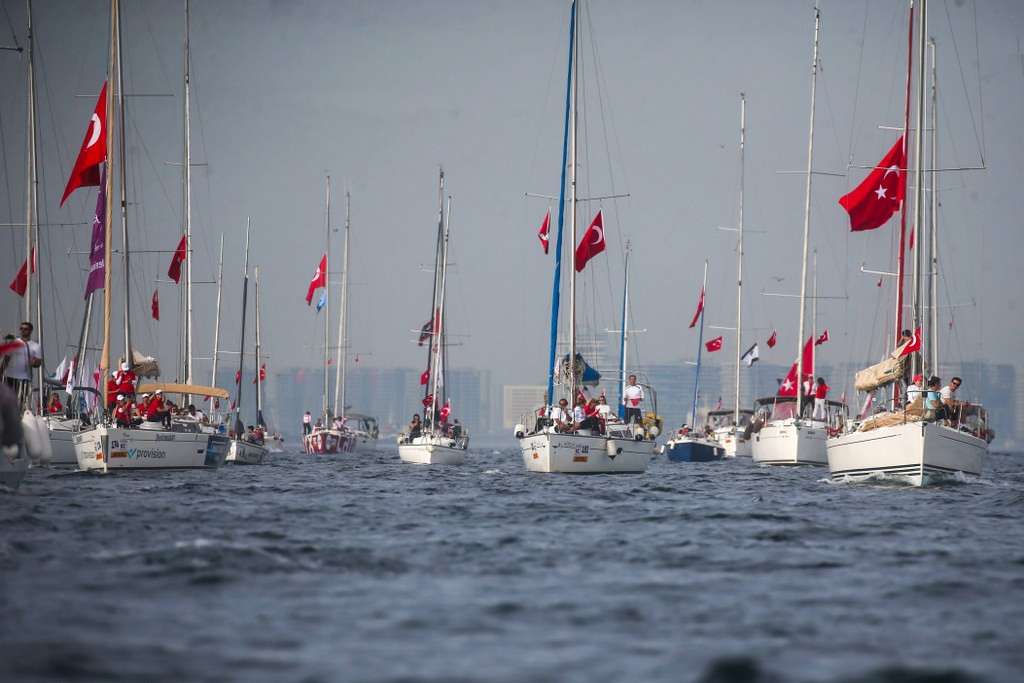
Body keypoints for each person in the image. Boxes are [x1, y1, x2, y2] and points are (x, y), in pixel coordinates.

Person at [3, 321, 42, 410]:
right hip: (10, 377)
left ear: (30, 330)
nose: (23, 331)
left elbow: (38, 363)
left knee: (22, 401)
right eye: (21, 329)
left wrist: (34, 363)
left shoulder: (36, 346)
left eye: (25, 329)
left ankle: (20, 418)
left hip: (25, 378)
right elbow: (6, 359)